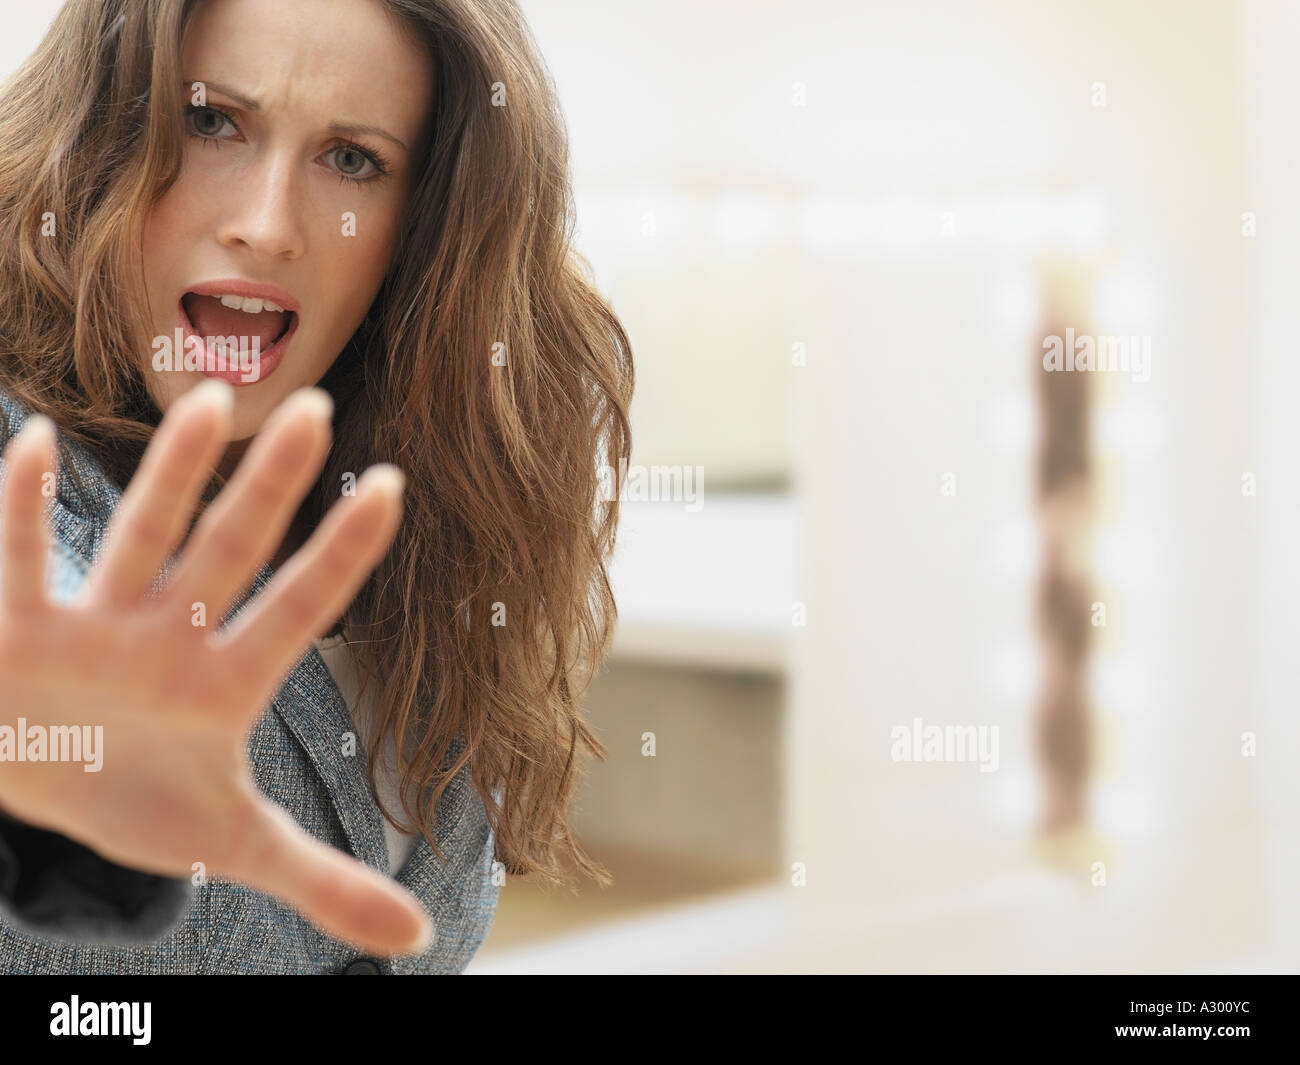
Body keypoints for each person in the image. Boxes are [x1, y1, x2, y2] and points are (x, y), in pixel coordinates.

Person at [0, 0, 632, 975]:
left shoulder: (424, 517)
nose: (266, 227)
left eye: (352, 159)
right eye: (210, 121)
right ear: (96, 135)